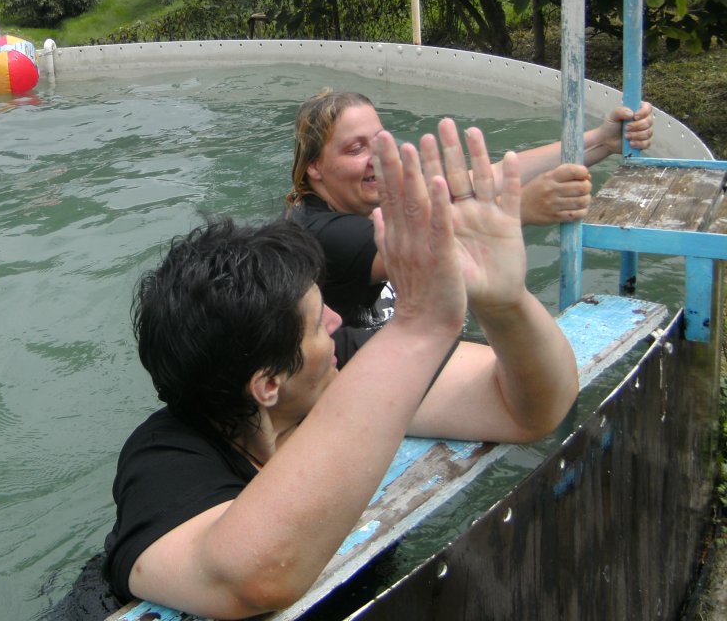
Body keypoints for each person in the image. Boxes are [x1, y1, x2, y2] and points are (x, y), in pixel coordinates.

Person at [100, 121, 579, 618]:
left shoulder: (331, 365)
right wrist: (419, 326)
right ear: (268, 384)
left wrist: (505, 305)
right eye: (316, 322)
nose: (335, 320)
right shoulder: (162, 459)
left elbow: (526, 410)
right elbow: (255, 578)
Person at [286, 90, 654, 360]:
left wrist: (600, 140)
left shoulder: (370, 199)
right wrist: (519, 208)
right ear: (314, 167)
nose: (377, 159)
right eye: (356, 150)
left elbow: (489, 178)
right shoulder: (321, 235)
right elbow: (427, 245)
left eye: (381, 142)